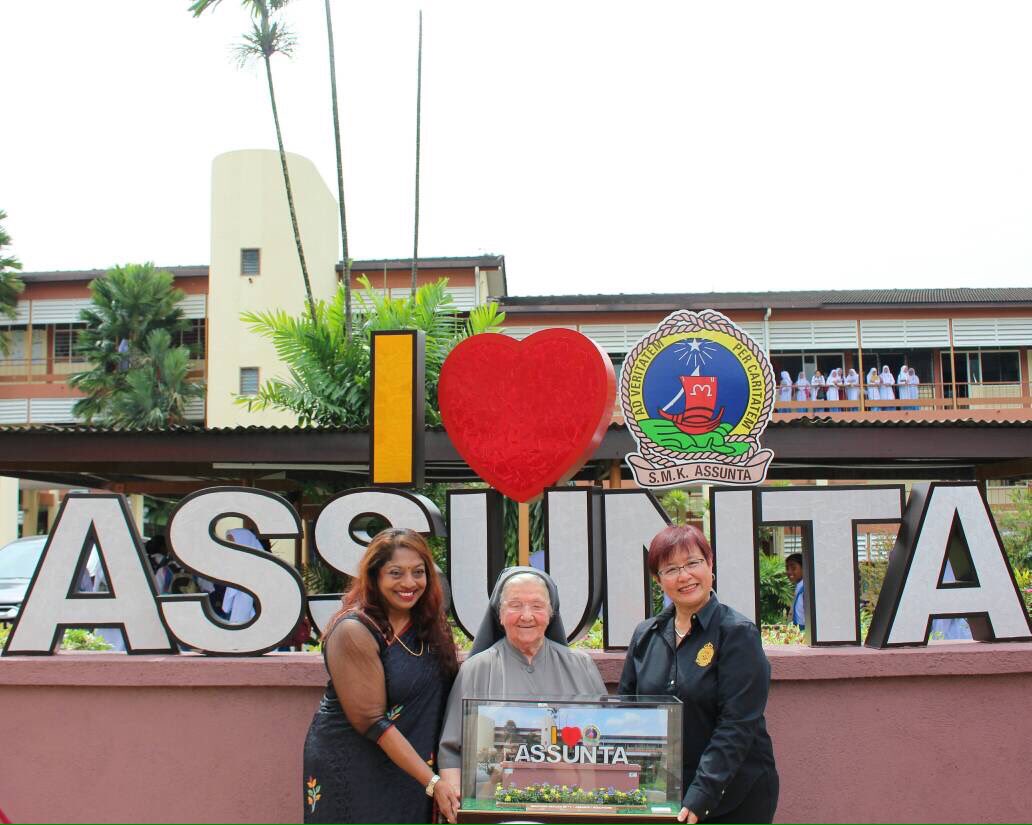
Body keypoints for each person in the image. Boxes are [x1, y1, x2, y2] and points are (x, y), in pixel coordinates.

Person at [618, 526, 778, 824]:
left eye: (693, 563)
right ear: (658, 580)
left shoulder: (737, 634)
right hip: (664, 795)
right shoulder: (645, 635)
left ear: (710, 565)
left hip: (733, 796)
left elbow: (737, 724)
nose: (684, 576)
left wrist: (702, 793)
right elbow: (628, 711)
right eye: (671, 569)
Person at [302, 528, 460, 824]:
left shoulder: (430, 626)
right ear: (375, 577)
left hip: (413, 769)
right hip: (355, 767)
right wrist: (433, 782)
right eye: (396, 573)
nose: (409, 583)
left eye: (418, 572)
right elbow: (371, 721)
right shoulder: (355, 630)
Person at [438, 567, 606, 793]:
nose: (526, 616)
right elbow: (451, 751)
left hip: (572, 802)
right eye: (515, 605)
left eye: (537, 606)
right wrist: (459, 801)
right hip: (495, 803)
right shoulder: (475, 670)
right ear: (499, 613)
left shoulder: (581, 667)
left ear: (551, 613)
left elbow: (603, 743)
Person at [784, 552, 805, 630]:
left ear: (804, 568)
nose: (789, 572)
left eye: (793, 568)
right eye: (787, 568)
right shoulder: (799, 587)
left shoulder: (806, 591)